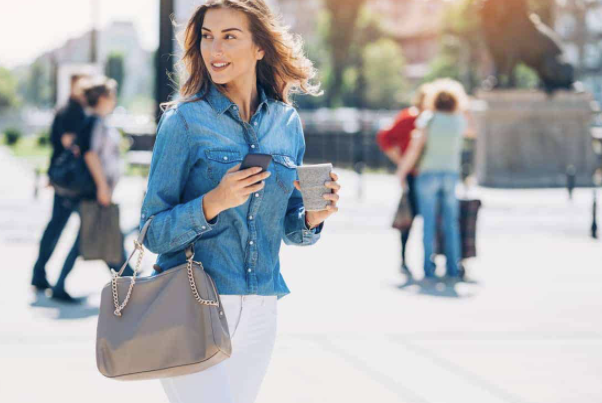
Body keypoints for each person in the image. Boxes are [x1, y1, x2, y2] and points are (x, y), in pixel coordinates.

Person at [139, 1, 341, 401]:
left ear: (260, 47)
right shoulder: (184, 121)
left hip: (262, 307)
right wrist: (213, 201)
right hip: (193, 305)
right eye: (207, 38)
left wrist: (313, 218)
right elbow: (151, 231)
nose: (215, 50)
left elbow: (290, 229)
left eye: (230, 37)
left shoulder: (286, 123)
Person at [51, 77, 134, 302]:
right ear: (103, 98)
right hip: (94, 190)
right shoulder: (94, 122)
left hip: (98, 189)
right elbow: (90, 154)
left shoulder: (96, 121)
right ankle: (129, 278)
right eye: (112, 95)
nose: (114, 100)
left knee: (91, 235)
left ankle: (127, 277)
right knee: (98, 233)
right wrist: (102, 187)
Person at [397, 79, 469, 279]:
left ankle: (428, 268)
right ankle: (453, 267)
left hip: (427, 174)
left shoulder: (428, 119)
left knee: (428, 222)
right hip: (451, 174)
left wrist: (402, 172)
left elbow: (414, 149)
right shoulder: (459, 121)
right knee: (451, 223)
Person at [31, 74, 89, 292]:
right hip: (70, 180)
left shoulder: (70, 108)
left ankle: (40, 273)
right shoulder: (71, 110)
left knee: (62, 225)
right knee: (67, 225)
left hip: (65, 179)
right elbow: (68, 143)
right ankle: (41, 274)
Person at [376, 84, 430, 275]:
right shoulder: (411, 117)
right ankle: (405, 259)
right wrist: (402, 163)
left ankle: (414, 259)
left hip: (420, 174)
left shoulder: (427, 118)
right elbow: (384, 137)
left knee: (417, 218)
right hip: (415, 175)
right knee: (411, 217)